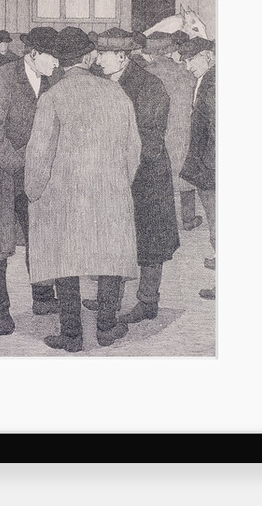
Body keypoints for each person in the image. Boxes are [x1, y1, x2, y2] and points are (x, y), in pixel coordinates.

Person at [25, 27, 142, 352]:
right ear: (88, 57)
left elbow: (38, 154)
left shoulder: (52, 98)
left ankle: (72, 335)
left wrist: (34, 192)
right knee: (108, 259)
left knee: (66, 263)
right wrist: (119, 183)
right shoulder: (117, 94)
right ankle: (106, 327)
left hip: (66, 197)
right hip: (110, 193)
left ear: (61, 62)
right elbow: (134, 149)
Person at [0, 27, 62, 335]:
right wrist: (20, 163)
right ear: (33, 54)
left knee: (40, 237)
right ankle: (1, 309)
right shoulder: (2, 78)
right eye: (53, 56)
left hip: (34, 174)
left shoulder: (56, 80)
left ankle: (42, 296)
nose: (57, 63)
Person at [93, 27, 180, 325]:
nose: (97, 58)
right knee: (113, 238)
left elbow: (150, 139)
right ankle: (110, 298)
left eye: (103, 53)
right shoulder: (100, 81)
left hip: (146, 175)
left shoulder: (149, 86)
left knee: (149, 241)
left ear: (121, 56)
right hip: (112, 173)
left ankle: (148, 300)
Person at [139, 30, 201, 230]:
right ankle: (189, 218)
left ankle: (158, 222)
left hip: (158, 131)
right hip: (182, 130)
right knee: (185, 173)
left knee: (156, 177)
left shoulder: (147, 73)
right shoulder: (185, 72)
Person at [178, 37, 217, 298]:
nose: (187, 65)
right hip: (207, 166)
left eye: (191, 59)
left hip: (212, 167)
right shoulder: (206, 78)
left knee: (219, 223)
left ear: (207, 55)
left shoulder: (214, 82)